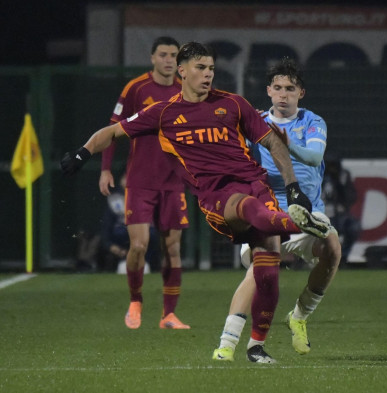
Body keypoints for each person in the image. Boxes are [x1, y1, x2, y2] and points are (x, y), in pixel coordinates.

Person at [60, 41, 332, 362]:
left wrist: (293, 187)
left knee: (268, 275)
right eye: (201, 68)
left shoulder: (233, 104)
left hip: (256, 183)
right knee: (251, 211)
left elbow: (273, 141)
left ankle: (253, 348)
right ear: (182, 71)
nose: (208, 74)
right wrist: (82, 153)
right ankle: (298, 222)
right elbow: (113, 131)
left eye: (212, 69)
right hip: (217, 195)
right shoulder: (163, 112)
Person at [212, 58, 341, 363]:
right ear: (269, 90)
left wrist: (284, 145)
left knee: (333, 248)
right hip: (267, 209)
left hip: (306, 212)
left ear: (301, 93)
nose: (284, 94)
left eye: (290, 89)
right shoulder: (253, 121)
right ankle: (228, 344)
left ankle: (299, 315)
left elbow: (313, 157)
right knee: (259, 273)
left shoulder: (313, 122)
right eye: (278, 88)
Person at [98, 36, 190, 330]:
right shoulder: (136, 88)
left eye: (174, 55)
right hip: (140, 180)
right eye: (163, 54)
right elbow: (113, 129)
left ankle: (168, 315)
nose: (168, 60)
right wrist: (105, 169)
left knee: (172, 248)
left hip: (174, 182)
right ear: (152, 57)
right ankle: (135, 301)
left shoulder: (186, 91)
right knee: (138, 245)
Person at [99, 174, 159, 273]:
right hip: (121, 243)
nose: (129, 180)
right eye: (126, 177)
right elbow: (107, 226)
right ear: (121, 180)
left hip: (144, 243)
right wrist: (111, 246)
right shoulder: (114, 199)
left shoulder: (147, 197)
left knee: (150, 234)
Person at [322, 152, 361, 264]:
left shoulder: (343, 175)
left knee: (353, 227)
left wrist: (339, 184)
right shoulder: (315, 174)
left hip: (339, 213)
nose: (331, 168)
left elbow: (351, 197)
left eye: (333, 165)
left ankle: (342, 257)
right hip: (319, 212)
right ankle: (303, 259)